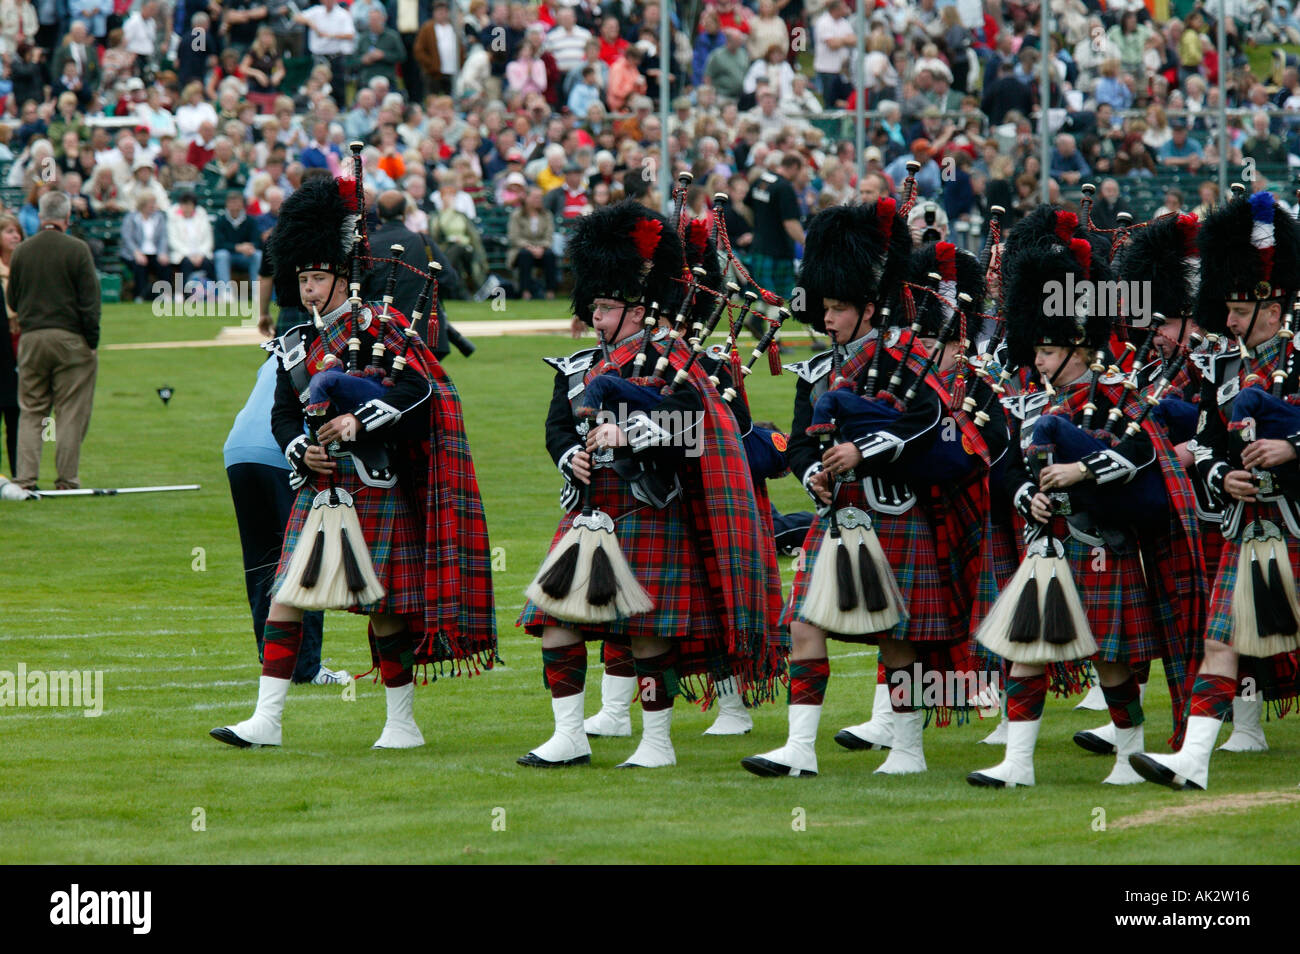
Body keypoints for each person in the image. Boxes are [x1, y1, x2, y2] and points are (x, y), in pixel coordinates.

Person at [210, 174, 497, 750]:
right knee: (287, 592)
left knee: (383, 606)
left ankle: (401, 723)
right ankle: (266, 720)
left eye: (317, 278)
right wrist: (302, 448)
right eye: (302, 279)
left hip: (375, 484)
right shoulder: (294, 341)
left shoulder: (383, 330)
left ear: (344, 276)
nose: (308, 290)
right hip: (320, 488)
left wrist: (360, 420)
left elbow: (420, 393)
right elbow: (283, 415)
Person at [517, 200, 779, 769]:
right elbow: (557, 429)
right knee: (555, 623)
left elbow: (697, 429)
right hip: (588, 509)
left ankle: (656, 743)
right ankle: (569, 736)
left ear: (637, 310)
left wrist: (629, 434)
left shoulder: (673, 360)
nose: (597, 319)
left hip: (647, 507)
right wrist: (571, 459)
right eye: (595, 307)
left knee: (646, 632)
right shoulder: (580, 367)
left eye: (607, 308)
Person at [967, 206, 1203, 789]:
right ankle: (1017, 763)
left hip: (1105, 541)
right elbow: (1011, 467)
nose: (1038, 362)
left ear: (1077, 344)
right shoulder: (1033, 399)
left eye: (1047, 352)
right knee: (1026, 646)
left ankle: (1128, 756)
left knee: (1111, 658)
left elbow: (1142, 455)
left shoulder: (1119, 391)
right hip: (1050, 542)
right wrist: (1029, 498)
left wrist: (1080, 471)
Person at [1131, 191, 1300, 791]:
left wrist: (1293, 450)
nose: (1225, 322)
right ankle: (1193, 762)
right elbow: (1203, 444)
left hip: (1298, 518)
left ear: (1272, 305)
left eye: (1237, 310)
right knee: (1219, 640)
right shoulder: (1224, 370)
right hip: (1248, 526)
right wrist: (1219, 477)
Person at [224, 357, 347, 688]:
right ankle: (305, 667)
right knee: (308, 560)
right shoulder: (333, 342)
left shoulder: (285, 347)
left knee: (261, 560)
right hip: (286, 453)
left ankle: (272, 658)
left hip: (237, 451)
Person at [6, 191, 99, 491]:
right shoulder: (77, 250)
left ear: (41, 215)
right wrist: (92, 340)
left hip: (31, 339)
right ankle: (67, 480)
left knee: (31, 411)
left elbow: (13, 299)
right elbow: (90, 302)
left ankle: (25, 480)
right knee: (70, 412)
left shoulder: (22, 251)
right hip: (70, 339)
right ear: (67, 217)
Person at [508, 186, 558, 300]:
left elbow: (549, 237)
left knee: (550, 255)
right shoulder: (517, 215)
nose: (538, 200)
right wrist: (530, 247)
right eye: (535, 197)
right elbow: (514, 237)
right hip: (521, 249)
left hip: (542, 249)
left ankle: (550, 292)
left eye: (540, 197)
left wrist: (541, 247)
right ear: (527, 198)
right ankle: (525, 291)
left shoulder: (547, 215)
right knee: (525, 256)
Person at [120, 193, 170, 302]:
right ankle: (140, 295)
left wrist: (162, 252)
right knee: (140, 265)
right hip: (134, 253)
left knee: (164, 264)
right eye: (150, 203)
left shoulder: (159, 217)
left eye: (154, 203)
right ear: (143, 204)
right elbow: (127, 238)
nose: (153, 206)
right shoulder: (131, 218)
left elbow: (163, 237)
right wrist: (136, 253)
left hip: (155, 252)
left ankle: (166, 294)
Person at [213, 189, 263, 289]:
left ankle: (257, 292)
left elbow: (258, 241)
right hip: (228, 255)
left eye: (237, 201)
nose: (234, 204)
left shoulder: (251, 220)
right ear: (226, 204)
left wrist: (250, 247)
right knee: (221, 255)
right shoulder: (220, 221)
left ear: (242, 204)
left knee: (257, 255)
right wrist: (237, 247)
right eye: (231, 202)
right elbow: (218, 244)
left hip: (246, 256)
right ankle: (226, 293)